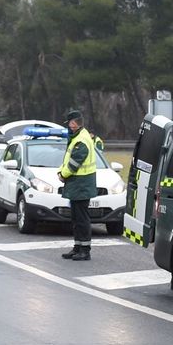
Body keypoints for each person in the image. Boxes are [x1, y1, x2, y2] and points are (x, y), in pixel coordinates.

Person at [57, 109, 97, 261]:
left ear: (74, 123)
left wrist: (62, 175)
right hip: (78, 184)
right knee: (76, 218)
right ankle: (78, 247)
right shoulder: (80, 136)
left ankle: (85, 250)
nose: (68, 126)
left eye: (69, 123)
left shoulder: (81, 140)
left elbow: (74, 163)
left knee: (81, 219)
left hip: (81, 184)